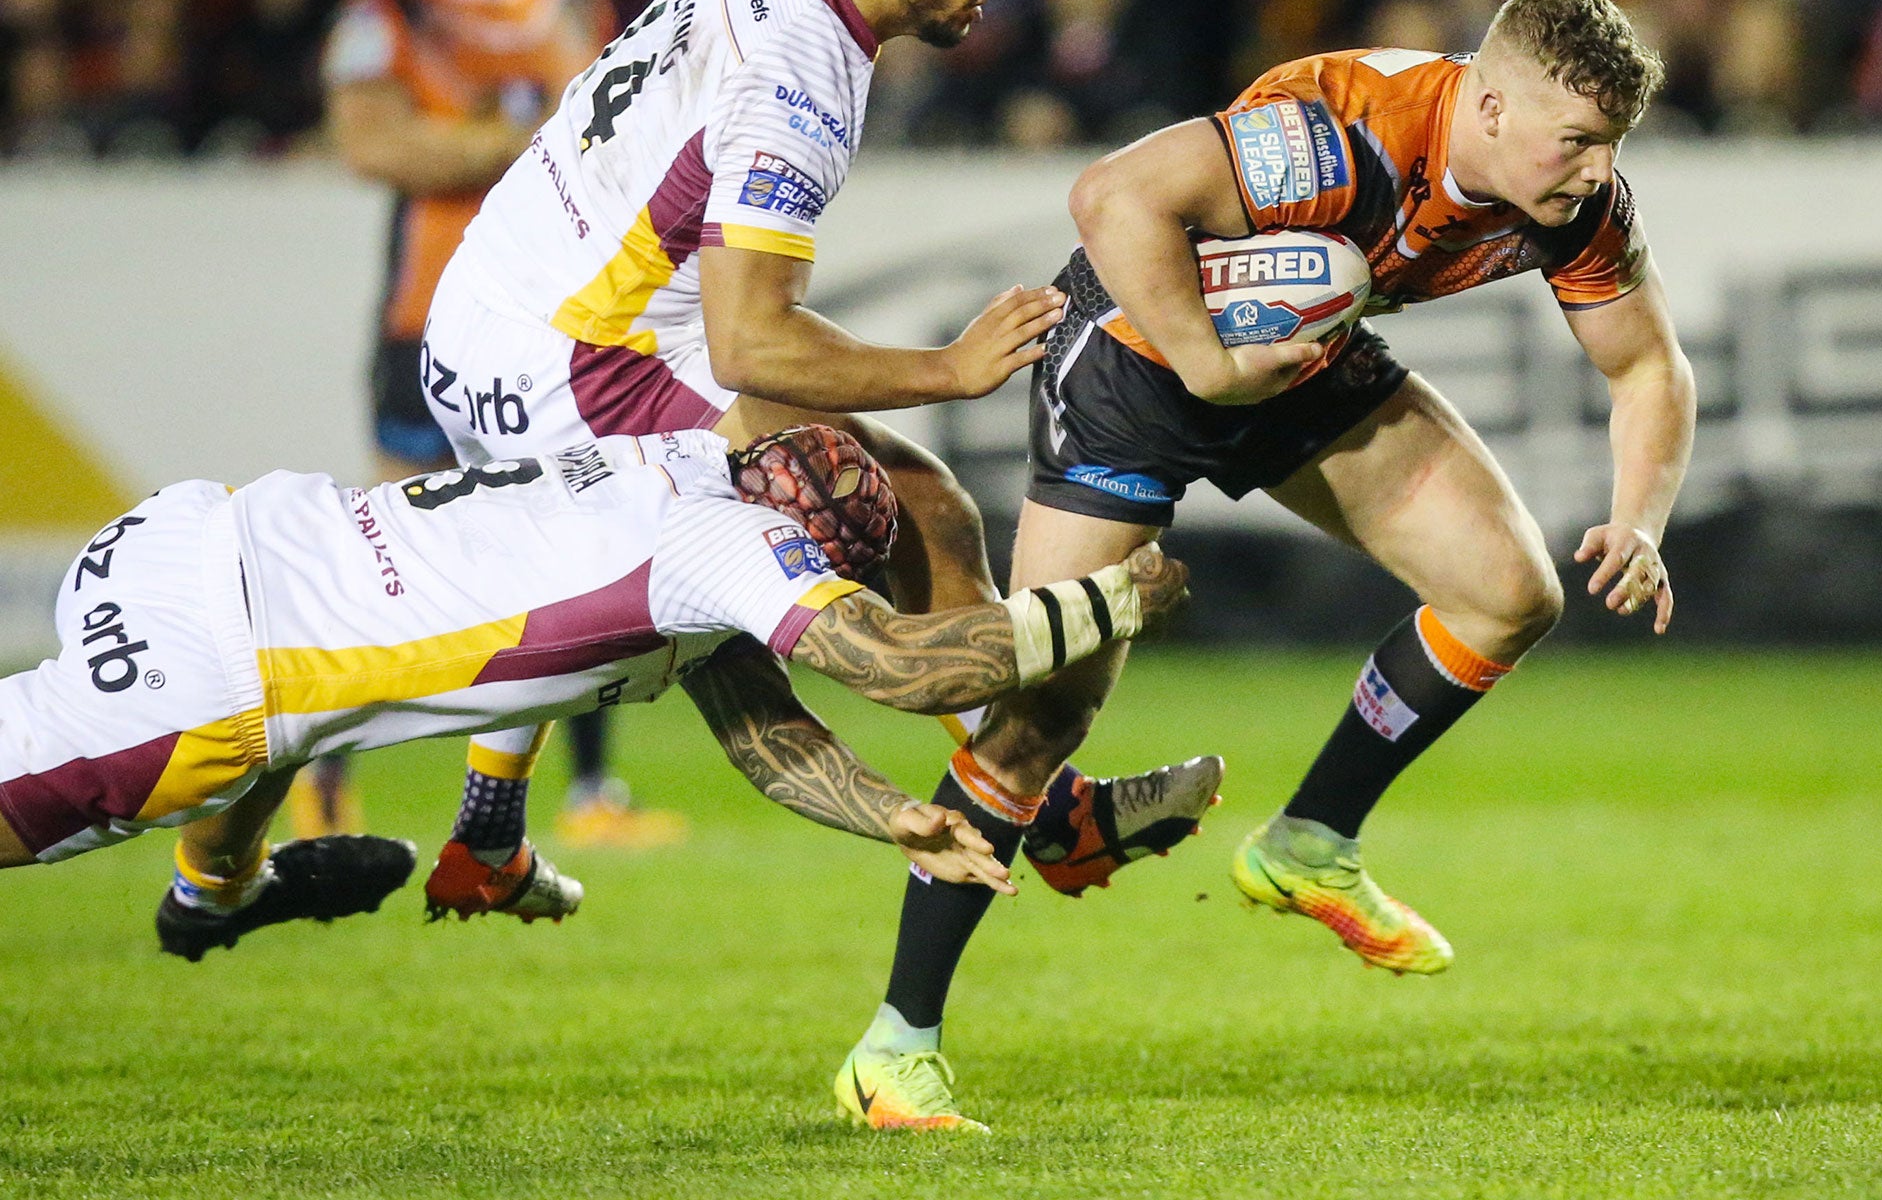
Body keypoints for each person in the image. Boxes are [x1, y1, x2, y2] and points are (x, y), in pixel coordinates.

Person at [836, 0, 1697, 1131]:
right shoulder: (1346, 140)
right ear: (1490, 108)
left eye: (1611, 143)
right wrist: (1199, 362)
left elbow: (1646, 364)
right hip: (1140, 360)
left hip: (1296, 357)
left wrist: (1637, 517)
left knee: (1504, 592)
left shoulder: (1579, 201)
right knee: (1037, 712)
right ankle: (893, 1048)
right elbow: (1109, 196)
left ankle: (1309, 840)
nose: (1597, 169)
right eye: (1580, 139)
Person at [413, 0, 1222, 924]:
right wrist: (949, 368)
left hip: (513, 291)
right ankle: (1046, 810)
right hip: (568, 358)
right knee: (751, 596)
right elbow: (754, 344)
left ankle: (486, 837)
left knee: (913, 506)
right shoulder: (794, 87)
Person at [0, 425, 1188, 967]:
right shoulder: (723, 547)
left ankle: (214, 902)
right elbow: (901, 666)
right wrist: (1109, 602)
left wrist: (891, 815)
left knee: (268, 746)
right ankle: (218, 890)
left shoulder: (673, 460)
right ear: (800, 543)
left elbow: (764, 734)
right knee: (231, 741)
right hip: (211, 663)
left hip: (206, 527)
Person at [321, 0, 661, 846]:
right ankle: (321, 793)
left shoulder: (572, 0)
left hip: (559, 320)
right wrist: (531, 140)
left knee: (588, 543)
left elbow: (628, 140)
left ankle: (588, 795)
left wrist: (482, 139)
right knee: (394, 563)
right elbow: (379, 150)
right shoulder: (385, 10)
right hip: (425, 320)